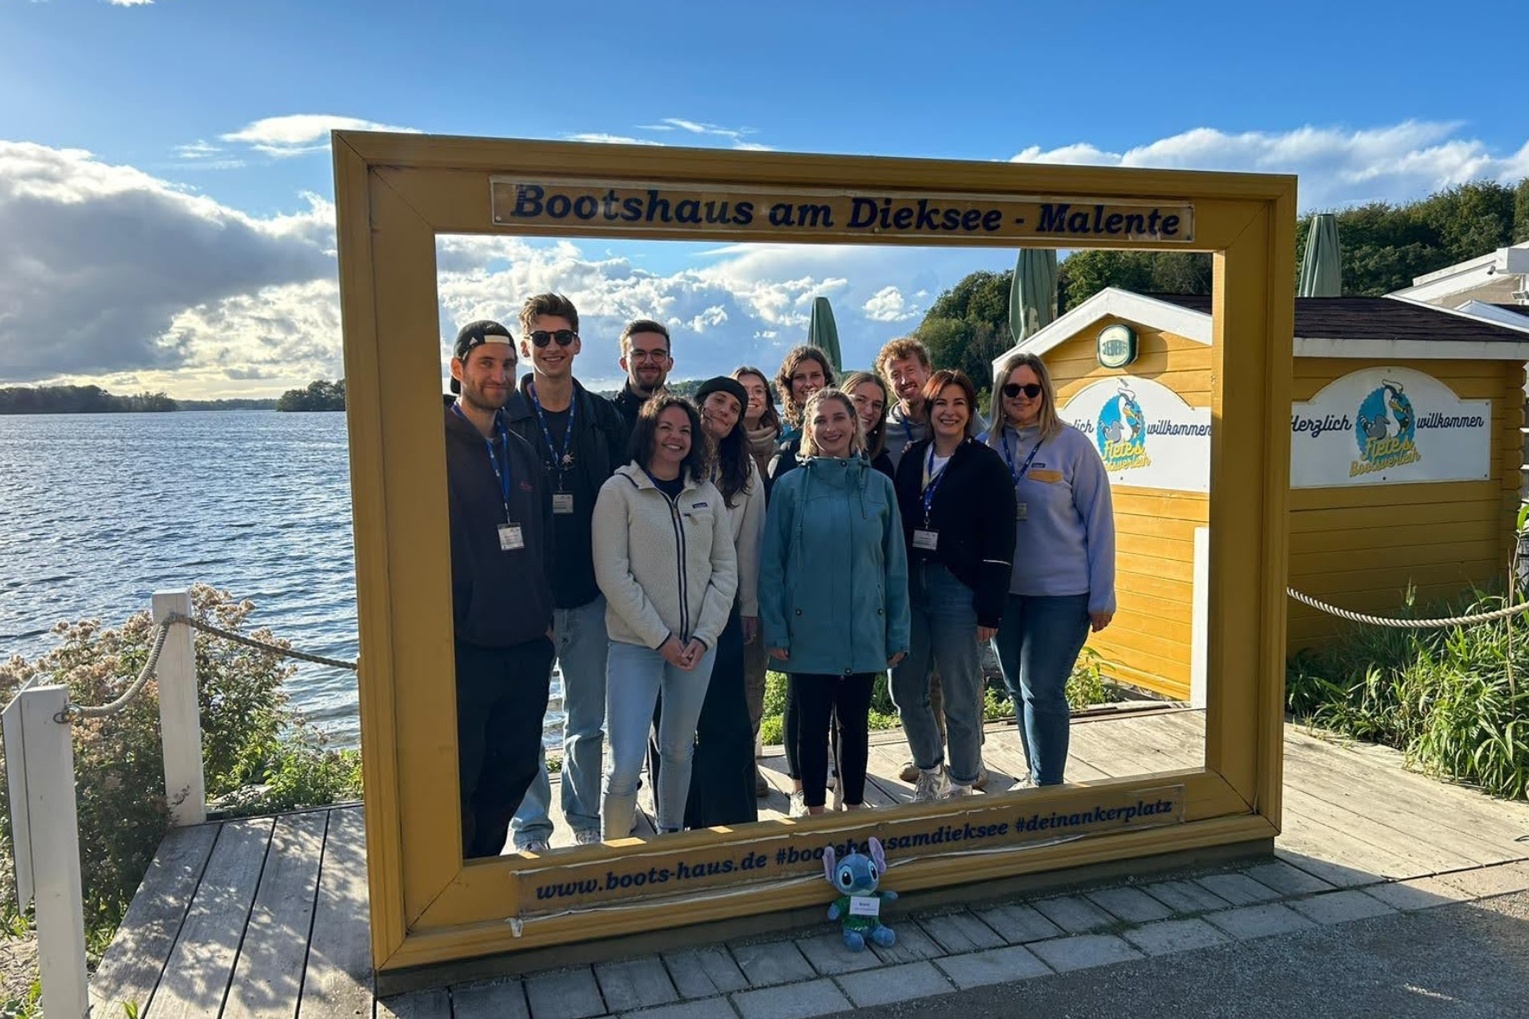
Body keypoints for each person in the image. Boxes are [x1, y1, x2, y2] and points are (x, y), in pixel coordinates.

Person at [505, 293, 630, 851]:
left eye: (563, 337)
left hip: (591, 594)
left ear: (578, 343)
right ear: (525, 344)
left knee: (587, 723)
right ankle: (531, 826)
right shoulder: (502, 418)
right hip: (525, 601)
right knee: (525, 721)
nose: (552, 348)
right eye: (541, 338)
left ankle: (583, 818)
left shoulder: (605, 418)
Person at [759, 388, 910, 816]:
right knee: (810, 724)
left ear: (855, 424)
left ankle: (855, 804)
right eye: (820, 420)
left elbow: (894, 566)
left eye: (838, 418)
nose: (831, 428)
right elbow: (772, 564)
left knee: (854, 723)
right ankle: (813, 808)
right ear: (808, 429)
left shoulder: (879, 487)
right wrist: (776, 625)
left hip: (864, 623)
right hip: (807, 628)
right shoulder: (790, 488)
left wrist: (897, 629)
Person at [594, 395, 738, 837]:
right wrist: (661, 639)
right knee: (623, 765)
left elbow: (725, 569)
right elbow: (612, 575)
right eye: (666, 428)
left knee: (678, 750)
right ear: (648, 432)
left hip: (697, 647)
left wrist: (705, 635)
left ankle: (671, 838)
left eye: (685, 431)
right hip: (636, 646)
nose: (675, 438)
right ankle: (612, 856)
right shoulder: (618, 491)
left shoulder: (706, 494)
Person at [443, 320, 556, 858]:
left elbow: (538, 543)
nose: (499, 375)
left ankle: (483, 862)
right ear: (458, 369)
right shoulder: (431, 448)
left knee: (516, 767)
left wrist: (545, 624)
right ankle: (456, 872)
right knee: (461, 774)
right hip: (465, 647)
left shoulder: (522, 453)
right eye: (486, 363)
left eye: (508, 365)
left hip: (527, 645)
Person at [986, 352, 1116, 787]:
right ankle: (1033, 774)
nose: (1021, 397)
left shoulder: (1072, 445)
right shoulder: (987, 445)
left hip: (1063, 594)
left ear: (1045, 394)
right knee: (1016, 688)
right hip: (1005, 594)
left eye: (1031, 389)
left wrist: (1102, 595)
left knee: (1041, 686)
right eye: (1012, 389)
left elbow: (1100, 522)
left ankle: (1048, 787)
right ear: (1000, 395)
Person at [891, 370, 1016, 800]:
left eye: (959, 403)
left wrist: (990, 608)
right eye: (941, 403)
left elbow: (1002, 539)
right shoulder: (911, 458)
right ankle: (930, 771)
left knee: (961, 693)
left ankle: (963, 781)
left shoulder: (986, 464)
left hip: (958, 588)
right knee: (906, 686)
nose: (949, 411)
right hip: (912, 586)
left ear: (970, 411)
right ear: (928, 408)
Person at [683, 377, 766, 828]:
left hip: (724, 604)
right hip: (674, 606)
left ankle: (732, 819)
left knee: (728, 720)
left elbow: (751, 541)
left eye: (735, 408)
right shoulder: (672, 453)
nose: (725, 413)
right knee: (677, 723)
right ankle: (682, 816)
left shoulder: (745, 468)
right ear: (700, 403)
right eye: (719, 401)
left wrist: (749, 605)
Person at [732, 365, 781, 796]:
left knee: (758, 674)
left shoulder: (788, 443)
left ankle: (751, 758)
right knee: (738, 674)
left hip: (778, 574)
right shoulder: (719, 449)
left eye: (758, 390)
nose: (752, 397)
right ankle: (737, 760)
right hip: (735, 577)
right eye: (741, 391)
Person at [767, 346, 836, 489]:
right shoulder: (779, 431)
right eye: (800, 377)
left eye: (815, 375)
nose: (808, 384)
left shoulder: (842, 427)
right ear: (789, 385)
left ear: (826, 379)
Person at [876, 337, 934, 472]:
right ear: (889, 385)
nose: (904, 380)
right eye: (895, 375)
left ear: (926, 371)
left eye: (910, 370)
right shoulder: (883, 434)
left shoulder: (953, 418)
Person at [612, 319, 674, 431]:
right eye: (639, 354)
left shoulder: (686, 419)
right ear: (624, 364)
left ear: (669, 363)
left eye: (657, 354)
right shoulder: (605, 419)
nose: (648, 361)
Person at [840, 370, 896, 480]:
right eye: (860, 400)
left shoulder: (882, 465)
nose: (869, 411)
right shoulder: (814, 454)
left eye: (877, 405)